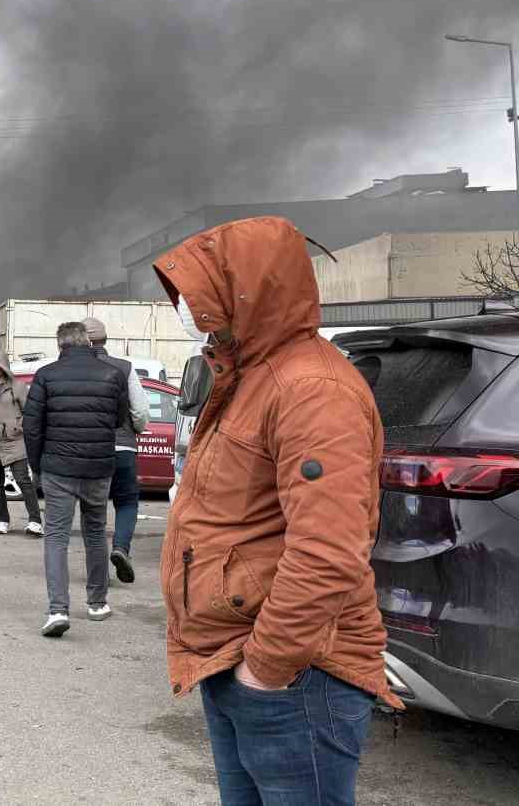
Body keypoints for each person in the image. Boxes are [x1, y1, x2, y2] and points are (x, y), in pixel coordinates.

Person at [154, 216, 397, 803]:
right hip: (237, 658)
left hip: (293, 676)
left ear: (247, 289)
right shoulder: (250, 376)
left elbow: (328, 551)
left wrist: (265, 668)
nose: (189, 307)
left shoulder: (311, 389)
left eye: (200, 291)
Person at [22, 322, 127, 638]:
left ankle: (58, 610)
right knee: (95, 533)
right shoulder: (113, 374)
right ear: (88, 343)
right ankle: (97, 603)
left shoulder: (46, 375)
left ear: (60, 345)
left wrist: (37, 465)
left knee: (56, 536)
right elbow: (119, 419)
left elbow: (31, 426)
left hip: (58, 467)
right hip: (98, 467)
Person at [82, 318, 151, 585]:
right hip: (123, 448)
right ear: (105, 340)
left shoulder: (74, 369)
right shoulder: (125, 367)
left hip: (89, 450)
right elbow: (140, 410)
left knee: (92, 509)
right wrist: (135, 430)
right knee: (127, 502)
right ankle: (121, 547)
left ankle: (98, 571)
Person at [0, 352, 43, 537]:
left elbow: (29, 412)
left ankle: (35, 521)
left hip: (14, 442)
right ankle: (2, 520)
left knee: (24, 481)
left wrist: (19, 426)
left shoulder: (18, 387)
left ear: (2, 367)